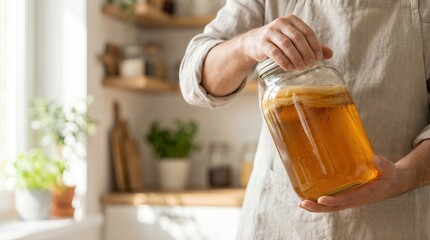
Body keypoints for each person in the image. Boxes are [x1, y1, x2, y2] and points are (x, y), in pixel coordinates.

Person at [180, 0, 430, 239]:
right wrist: (248, 43)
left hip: (398, 218)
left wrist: (403, 177)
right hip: (283, 221)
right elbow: (194, 78)